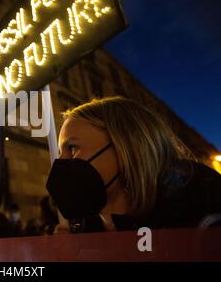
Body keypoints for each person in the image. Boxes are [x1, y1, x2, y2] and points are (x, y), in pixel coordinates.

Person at [46, 96, 221, 233]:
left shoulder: (203, 200)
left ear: (127, 146)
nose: (61, 162)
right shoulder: (82, 229)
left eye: (72, 147)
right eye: (61, 152)